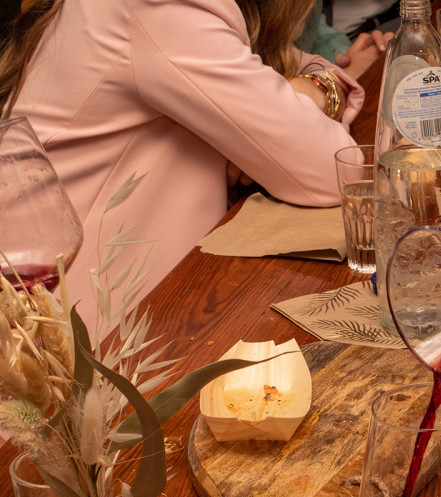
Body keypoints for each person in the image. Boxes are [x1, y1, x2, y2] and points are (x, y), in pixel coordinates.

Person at [0, 0, 367, 329]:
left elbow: (297, 62)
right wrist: (295, 106)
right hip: (83, 333)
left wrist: (313, 89)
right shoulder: (160, 10)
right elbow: (334, 172)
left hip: (148, 295)